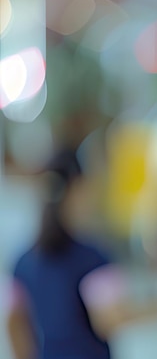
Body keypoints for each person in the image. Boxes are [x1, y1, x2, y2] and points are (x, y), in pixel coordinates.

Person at [7, 150, 114, 359]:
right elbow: (108, 320)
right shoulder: (92, 257)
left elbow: (14, 323)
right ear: (76, 189)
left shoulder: (22, 260)